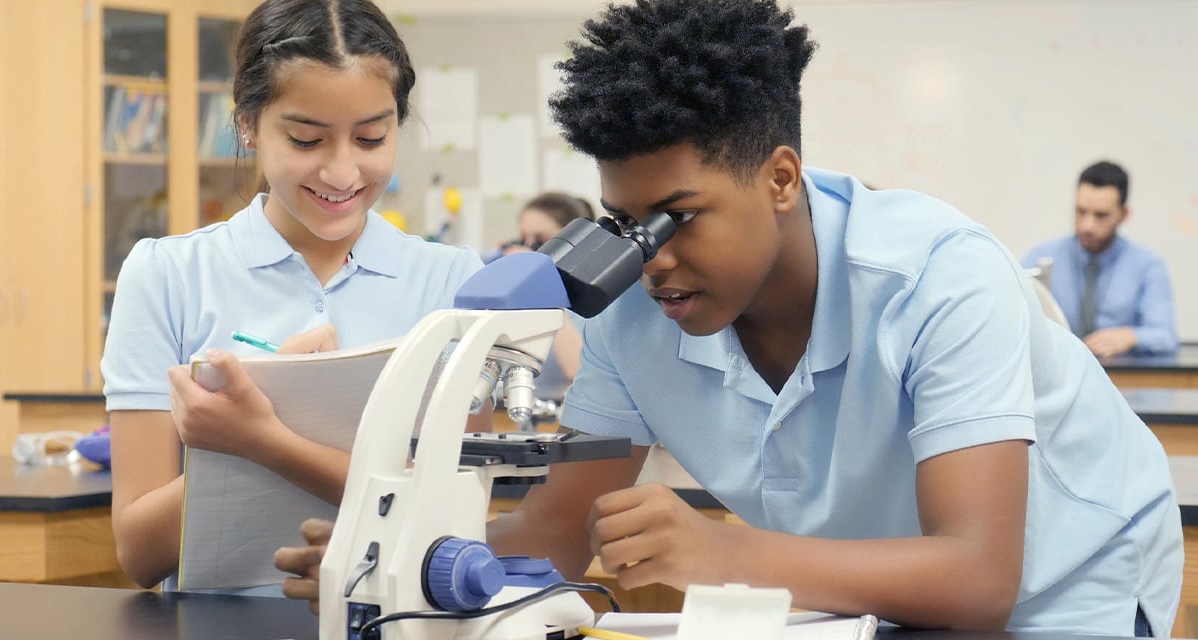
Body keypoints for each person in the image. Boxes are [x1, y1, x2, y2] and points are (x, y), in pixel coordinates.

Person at [276, 0, 1182, 635]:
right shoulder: (633, 312)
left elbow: (979, 580)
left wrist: (722, 552)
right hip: (883, 583)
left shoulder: (940, 278)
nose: (651, 257)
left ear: (779, 178)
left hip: (1069, 574)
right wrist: (392, 561)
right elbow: (557, 531)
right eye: (627, 224)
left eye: (678, 216)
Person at [101, 0, 486, 594]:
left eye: (371, 137)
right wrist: (237, 443)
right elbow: (139, 551)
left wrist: (260, 439)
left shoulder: (454, 282)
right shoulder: (167, 274)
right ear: (249, 124)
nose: (341, 171)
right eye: (307, 139)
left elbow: (455, 523)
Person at [1022, 161, 1178, 358]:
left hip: (1122, 382)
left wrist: (1130, 336)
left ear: (1124, 214)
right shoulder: (1041, 257)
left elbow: (1165, 336)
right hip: (1057, 377)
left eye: (1101, 215)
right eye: (1081, 212)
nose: (1088, 225)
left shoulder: (1148, 265)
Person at [490, 192, 597, 403]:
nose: (529, 250)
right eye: (523, 239)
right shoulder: (520, 299)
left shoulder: (592, 304)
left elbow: (583, 375)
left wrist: (544, 289)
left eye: (540, 242)